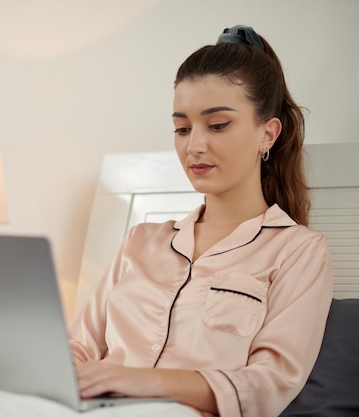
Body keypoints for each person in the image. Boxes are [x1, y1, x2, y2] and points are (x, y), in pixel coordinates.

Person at [69, 25, 333, 417]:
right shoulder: (140, 240)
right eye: (182, 128)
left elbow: (270, 384)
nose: (194, 146)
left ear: (268, 133)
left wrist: (142, 382)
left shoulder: (298, 251)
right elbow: (79, 348)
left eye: (218, 125)